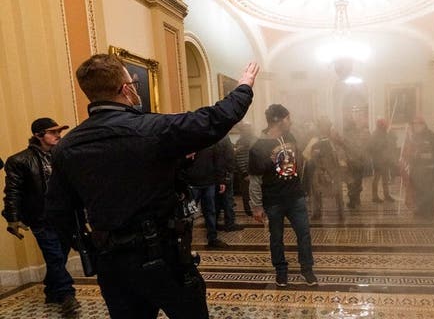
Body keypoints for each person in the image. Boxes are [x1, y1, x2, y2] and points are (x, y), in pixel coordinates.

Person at [44, 54, 259, 318]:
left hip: (112, 261)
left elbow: (58, 211)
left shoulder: (67, 146)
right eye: (131, 82)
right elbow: (213, 119)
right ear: (125, 89)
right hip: (163, 254)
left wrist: (88, 245)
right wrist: (244, 87)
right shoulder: (151, 129)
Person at [1, 118, 79, 316]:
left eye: (58, 131)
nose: (58, 135)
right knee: (54, 256)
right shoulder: (19, 161)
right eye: (53, 132)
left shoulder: (62, 156)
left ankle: (52, 291)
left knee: (58, 257)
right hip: (41, 218)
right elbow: (12, 191)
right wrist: (13, 217)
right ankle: (67, 296)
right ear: (38, 135)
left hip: (64, 218)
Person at [249, 104, 317, 287]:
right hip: (273, 201)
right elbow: (255, 180)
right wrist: (256, 206)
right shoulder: (258, 147)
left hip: (295, 197)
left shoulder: (290, 136)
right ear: (278, 120)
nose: (291, 121)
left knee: (304, 234)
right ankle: (281, 271)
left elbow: (298, 161)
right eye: (288, 118)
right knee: (276, 238)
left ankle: (307, 269)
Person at [181, 145, 229, 248]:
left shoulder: (211, 141)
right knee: (188, 214)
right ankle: (185, 241)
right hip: (191, 184)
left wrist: (221, 179)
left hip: (209, 182)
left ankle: (212, 238)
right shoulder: (188, 139)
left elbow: (218, 160)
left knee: (210, 212)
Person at [408, 117, 434, 222]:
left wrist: (420, 155)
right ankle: (420, 209)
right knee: (418, 191)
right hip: (417, 170)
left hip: (428, 170)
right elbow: (411, 152)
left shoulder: (432, 137)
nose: (414, 127)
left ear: (423, 125)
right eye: (413, 125)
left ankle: (429, 213)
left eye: (417, 124)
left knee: (429, 192)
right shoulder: (414, 137)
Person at [213, 134, 244, 231]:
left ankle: (214, 223)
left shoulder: (216, 136)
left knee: (218, 200)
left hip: (219, 173)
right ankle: (230, 223)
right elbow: (225, 158)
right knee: (228, 199)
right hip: (225, 173)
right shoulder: (223, 137)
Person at [368, 119, 396, 203]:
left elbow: (389, 144)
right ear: (381, 125)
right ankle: (374, 196)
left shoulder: (385, 134)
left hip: (385, 159)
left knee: (385, 179)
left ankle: (386, 195)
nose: (386, 126)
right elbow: (371, 147)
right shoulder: (375, 134)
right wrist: (381, 146)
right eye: (384, 125)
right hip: (378, 160)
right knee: (376, 179)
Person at [235, 122, 258, 216]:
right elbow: (240, 157)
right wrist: (245, 172)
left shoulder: (254, 139)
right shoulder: (242, 141)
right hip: (247, 171)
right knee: (247, 193)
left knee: (254, 192)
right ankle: (249, 211)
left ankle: (254, 210)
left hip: (254, 170)